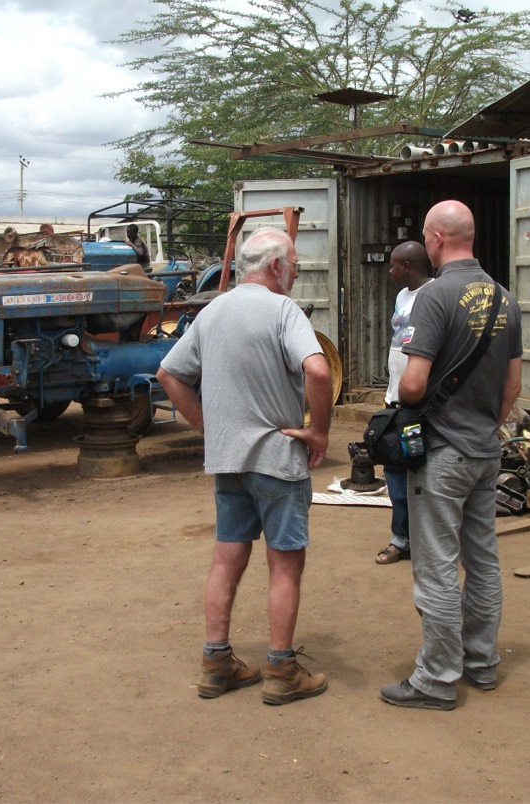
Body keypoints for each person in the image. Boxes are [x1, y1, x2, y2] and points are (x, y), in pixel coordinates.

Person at [157, 228, 333, 706]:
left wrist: (207, 428)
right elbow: (319, 370)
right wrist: (319, 431)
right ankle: (282, 671)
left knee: (226, 560)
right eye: (293, 264)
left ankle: (216, 663)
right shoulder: (283, 311)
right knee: (285, 567)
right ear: (275, 266)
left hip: (229, 462)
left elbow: (168, 374)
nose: (295, 272)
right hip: (277, 461)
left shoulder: (211, 312)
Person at [380, 199, 522, 711]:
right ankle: (481, 663)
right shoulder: (506, 298)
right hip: (486, 451)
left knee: (437, 566)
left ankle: (437, 679)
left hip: (442, 453)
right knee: (482, 562)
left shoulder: (434, 297)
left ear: (436, 239)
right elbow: (513, 385)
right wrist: (485, 424)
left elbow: (413, 384)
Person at [376, 241, 431, 566]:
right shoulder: (402, 296)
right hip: (394, 401)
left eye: (394, 265)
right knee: (395, 474)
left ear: (408, 266)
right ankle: (402, 540)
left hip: (418, 408)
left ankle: (425, 542)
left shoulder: (434, 295)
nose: (390, 270)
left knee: (423, 475)